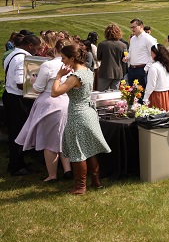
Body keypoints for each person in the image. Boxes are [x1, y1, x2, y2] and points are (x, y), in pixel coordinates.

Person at [52, 43, 111, 194]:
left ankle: (80, 186)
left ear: (72, 58)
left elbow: (55, 92)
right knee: (89, 149)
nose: (62, 61)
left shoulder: (74, 77)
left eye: (64, 58)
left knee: (78, 150)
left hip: (78, 115)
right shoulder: (88, 71)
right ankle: (96, 182)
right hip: (89, 113)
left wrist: (58, 76)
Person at [15, 39, 72, 182]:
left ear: (56, 49)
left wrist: (33, 83)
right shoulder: (72, 64)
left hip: (51, 103)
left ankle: (52, 175)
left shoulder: (48, 65)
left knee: (49, 141)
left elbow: (38, 88)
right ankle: (67, 170)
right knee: (62, 137)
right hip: (67, 101)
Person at [3, 34, 41, 175]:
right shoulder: (21, 58)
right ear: (30, 45)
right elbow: (20, 83)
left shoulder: (12, 54)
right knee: (19, 133)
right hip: (17, 100)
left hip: (10, 96)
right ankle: (16, 166)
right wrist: (36, 87)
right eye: (36, 48)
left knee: (15, 132)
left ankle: (18, 162)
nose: (37, 52)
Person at [143, 44, 169, 113]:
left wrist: (145, 98)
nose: (151, 54)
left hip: (158, 96)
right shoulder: (168, 64)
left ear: (156, 54)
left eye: (152, 53)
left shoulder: (154, 67)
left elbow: (151, 85)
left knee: (159, 118)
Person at [126, 18, 157, 87]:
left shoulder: (149, 39)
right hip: (131, 69)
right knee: (131, 93)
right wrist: (127, 57)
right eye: (131, 27)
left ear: (141, 26)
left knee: (142, 93)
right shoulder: (133, 39)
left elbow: (154, 55)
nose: (132, 29)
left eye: (134, 27)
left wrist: (146, 69)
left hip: (142, 69)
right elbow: (130, 51)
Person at [97, 24, 127, 91]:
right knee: (114, 94)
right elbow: (124, 58)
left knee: (101, 93)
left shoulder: (102, 44)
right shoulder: (123, 45)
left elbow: (99, 57)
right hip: (118, 72)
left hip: (105, 72)